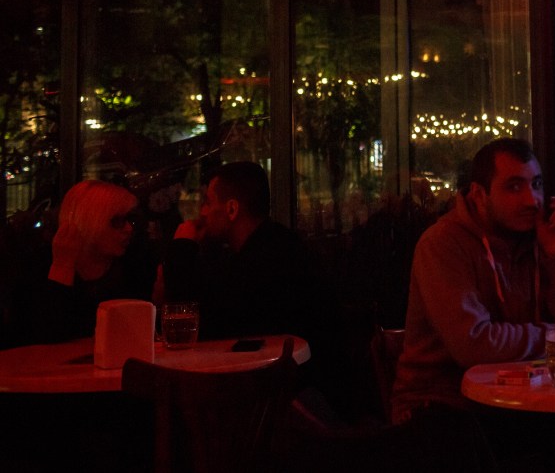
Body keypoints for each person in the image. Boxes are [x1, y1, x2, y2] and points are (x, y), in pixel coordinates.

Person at [391, 136, 555, 419]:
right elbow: (473, 344)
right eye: (514, 187)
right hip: (442, 405)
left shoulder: (538, 238)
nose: (532, 200)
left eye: (536, 185)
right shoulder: (442, 244)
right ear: (479, 195)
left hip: (527, 397)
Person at [157, 161, 342, 405]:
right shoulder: (275, 246)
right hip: (306, 390)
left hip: (293, 406)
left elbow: (202, 324)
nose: (202, 212)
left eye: (208, 203)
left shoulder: (266, 260)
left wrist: (182, 247)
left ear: (232, 209)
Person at [8, 179, 155, 345]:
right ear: (91, 222)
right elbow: (45, 335)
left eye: (130, 221)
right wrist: (62, 268)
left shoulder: (134, 264)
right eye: (117, 221)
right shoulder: (39, 266)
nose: (129, 229)